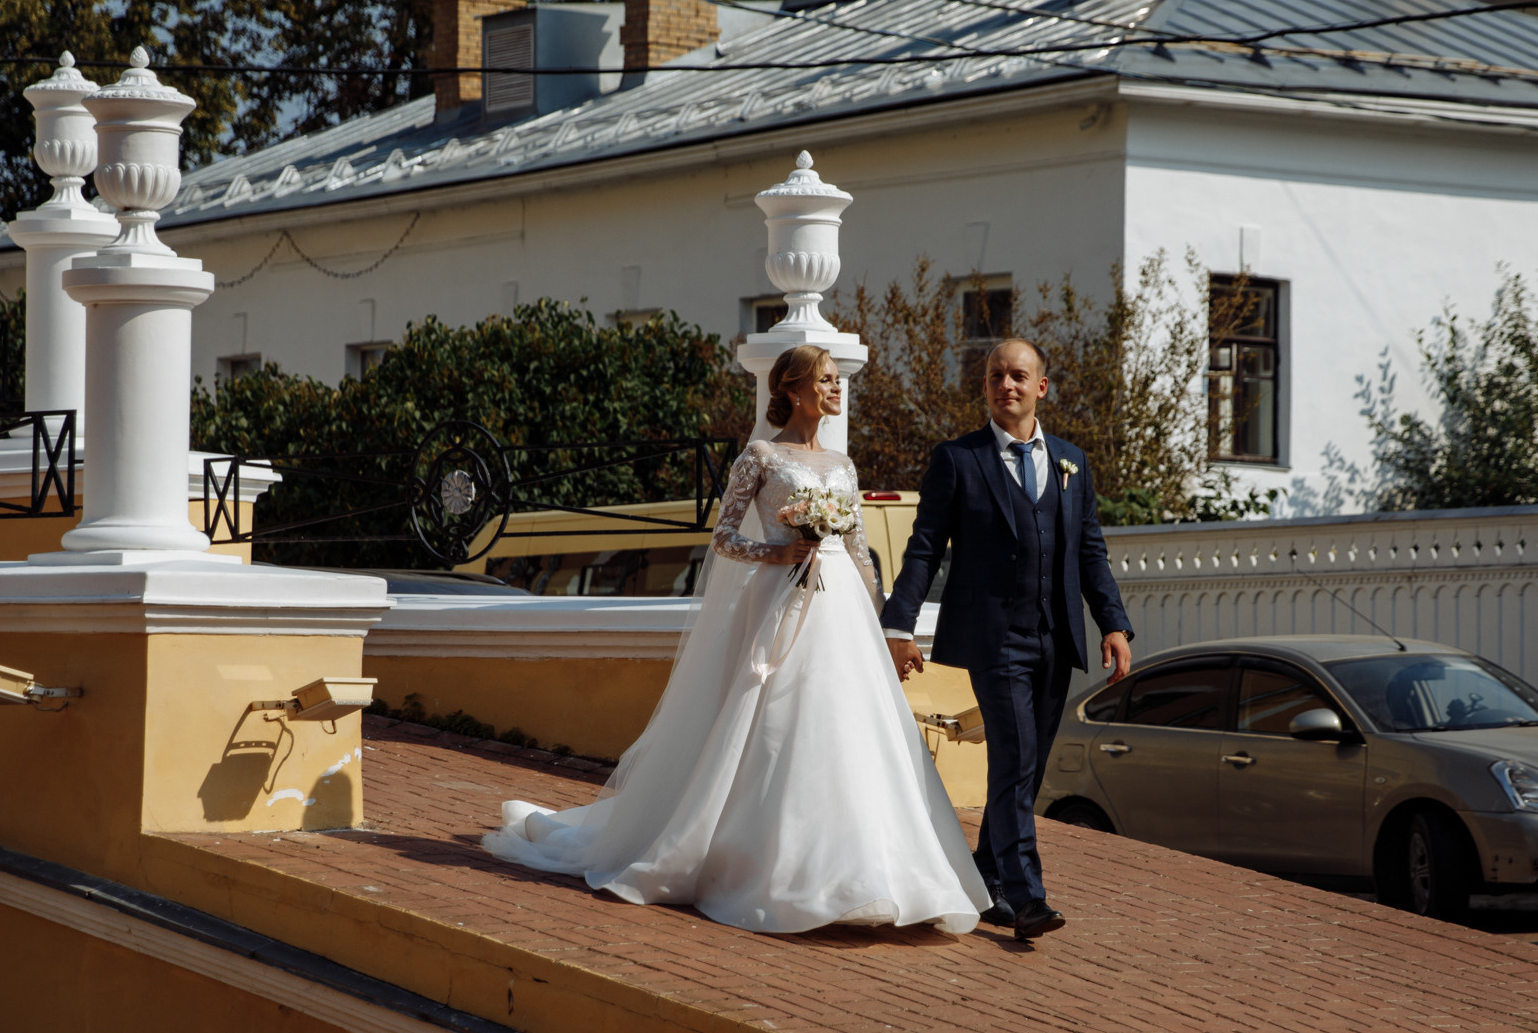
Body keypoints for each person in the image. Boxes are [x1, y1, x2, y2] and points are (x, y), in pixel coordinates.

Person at [481, 345, 988, 936]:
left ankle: (868, 872)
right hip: (781, 605)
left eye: (836, 380)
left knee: (854, 729)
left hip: (841, 611)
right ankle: (768, 863)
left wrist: (882, 626)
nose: (836, 388)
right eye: (825, 380)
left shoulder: (844, 466)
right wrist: (777, 551)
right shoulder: (761, 456)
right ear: (795, 390)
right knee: (773, 726)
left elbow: (857, 552)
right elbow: (722, 537)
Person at [878, 338, 1133, 941]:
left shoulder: (1072, 462)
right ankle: (1026, 897)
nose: (1005, 385)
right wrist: (897, 626)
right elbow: (923, 549)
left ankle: (983, 878)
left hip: (1055, 638)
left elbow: (1090, 550)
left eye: (1018, 375)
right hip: (994, 640)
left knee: (1028, 767)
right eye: (995, 376)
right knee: (1014, 758)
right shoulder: (958, 460)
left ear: (1041, 386)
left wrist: (1113, 623)